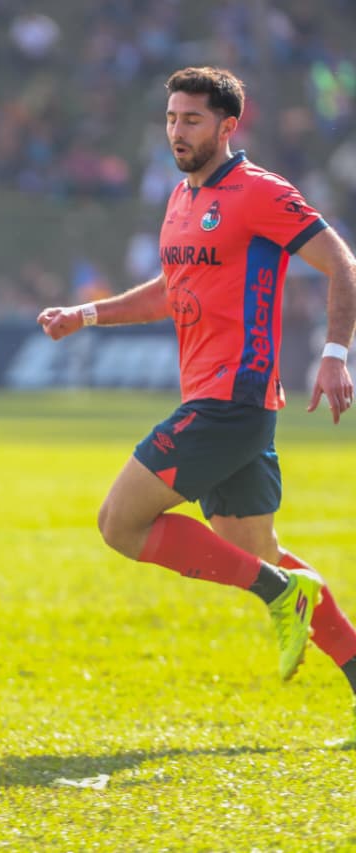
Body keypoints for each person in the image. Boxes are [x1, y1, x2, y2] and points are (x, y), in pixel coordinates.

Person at [37, 67, 356, 747]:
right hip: (220, 401)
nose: (177, 131)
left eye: (192, 120)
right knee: (259, 551)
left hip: (232, 400)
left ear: (227, 126)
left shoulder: (261, 192)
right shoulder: (182, 197)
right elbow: (169, 290)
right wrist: (86, 315)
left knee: (119, 523)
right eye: (171, 119)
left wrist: (335, 353)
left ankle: (278, 594)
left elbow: (342, 263)